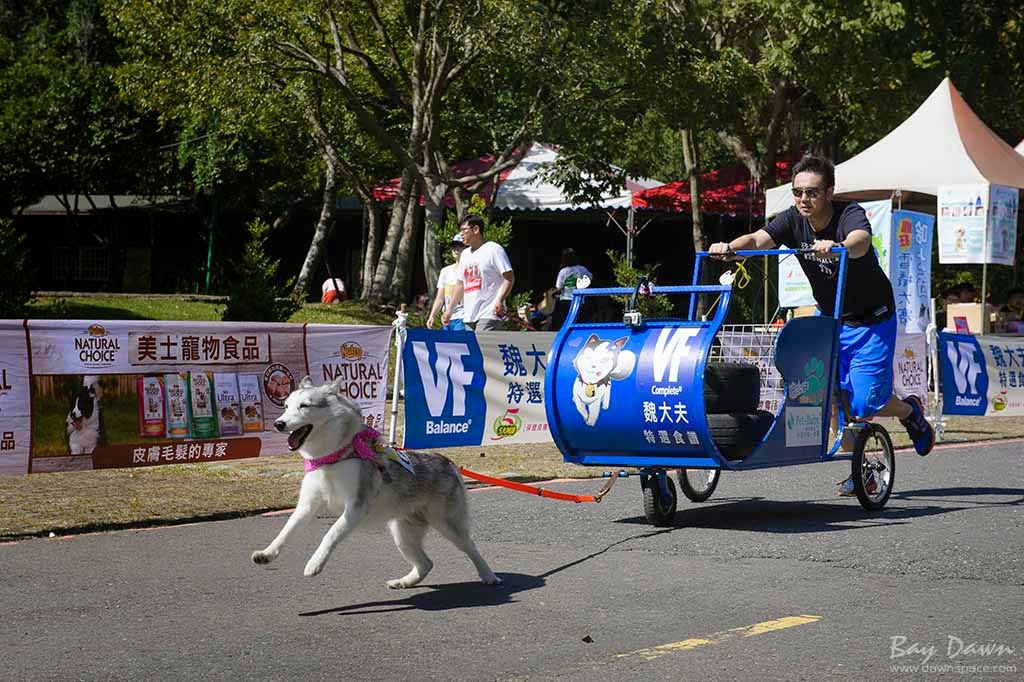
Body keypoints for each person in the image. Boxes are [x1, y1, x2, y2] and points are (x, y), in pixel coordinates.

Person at [708, 155, 935, 495]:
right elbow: (757, 240)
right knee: (825, 392)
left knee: (862, 404)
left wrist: (839, 246)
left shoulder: (848, 214)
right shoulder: (791, 221)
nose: (803, 200)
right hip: (830, 320)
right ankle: (861, 470)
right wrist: (729, 248)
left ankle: (909, 409)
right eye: (798, 192)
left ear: (829, 192)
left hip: (872, 320)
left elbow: (860, 242)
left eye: (812, 192)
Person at [443, 215, 514, 332]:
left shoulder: (493, 249)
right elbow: (460, 284)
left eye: (464, 230)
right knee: (472, 349)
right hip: (469, 316)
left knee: (483, 347)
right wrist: (449, 309)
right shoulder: (465, 254)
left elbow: (509, 277)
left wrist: (500, 300)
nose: (461, 234)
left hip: (489, 313)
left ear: (476, 230)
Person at [426, 235, 468, 331]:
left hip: (463, 317)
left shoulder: (469, 269)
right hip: (447, 318)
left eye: (460, 247)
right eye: (454, 247)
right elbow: (440, 298)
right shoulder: (445, 271)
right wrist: (432, 316)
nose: (456, 250)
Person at [550, 248, 593, 331]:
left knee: (563, 323)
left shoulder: (563, 271)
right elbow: (590, 278)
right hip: (580, 301)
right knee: (580, 323)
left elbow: (559, 288)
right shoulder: (582, 269)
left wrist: (554, 294)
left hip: (565, 301)